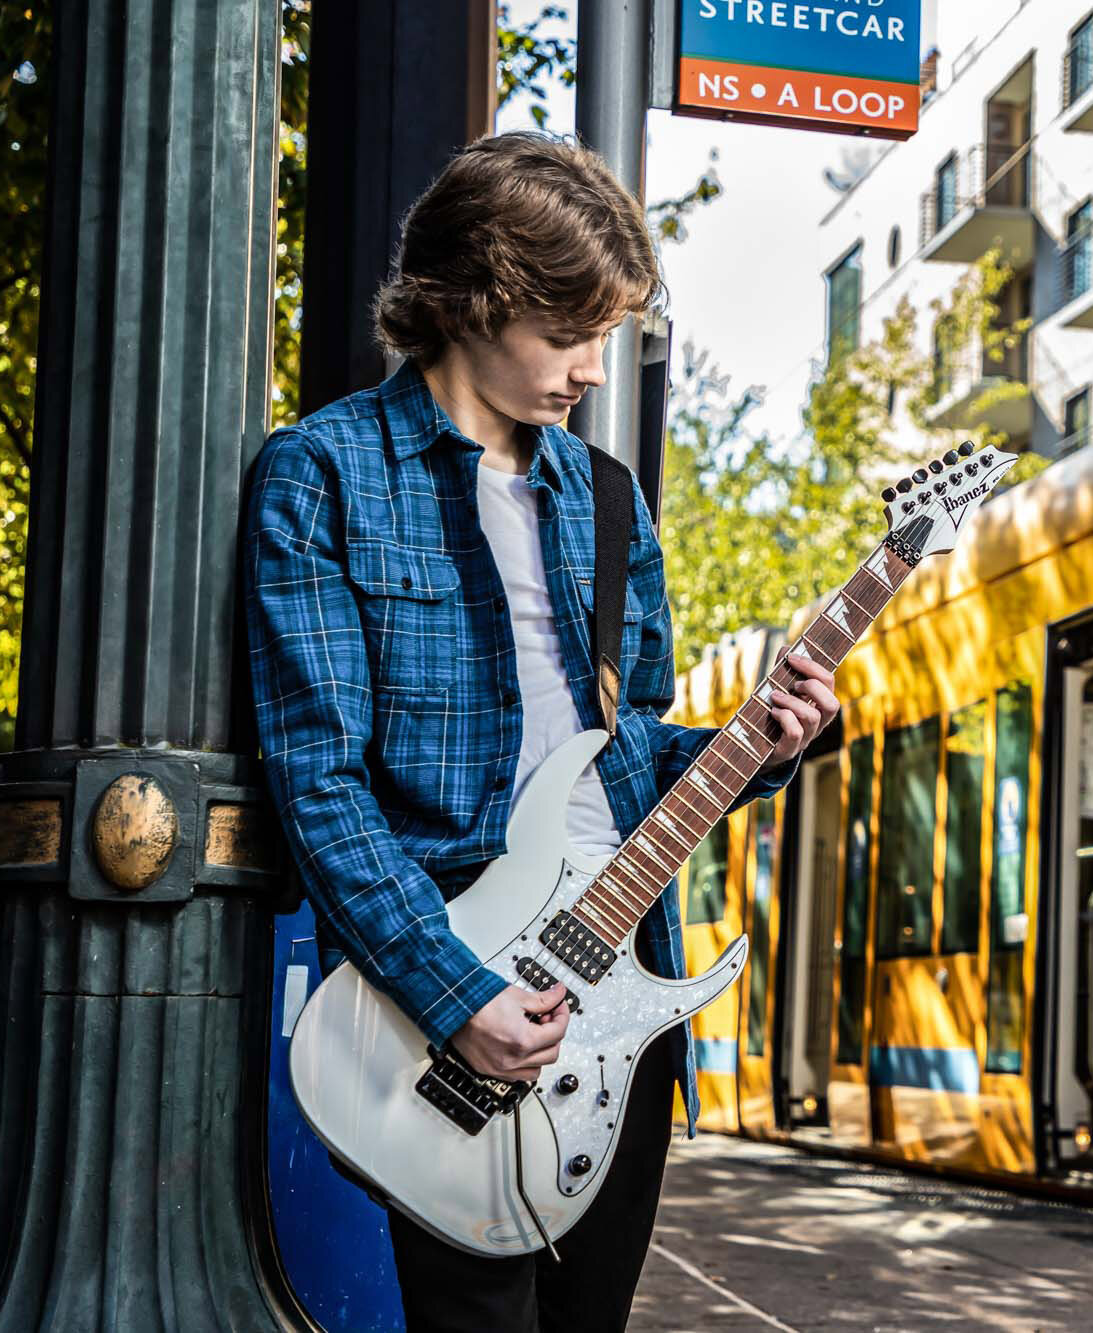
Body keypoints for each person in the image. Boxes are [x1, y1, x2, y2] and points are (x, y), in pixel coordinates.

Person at [240, 131, 839, 1333]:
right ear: (472, 300)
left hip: (617, 1002)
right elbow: (318, 783)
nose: (588, 371)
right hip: (450, 1006)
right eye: (569, 336)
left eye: (605, 339)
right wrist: (455, 990)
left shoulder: (609, 499)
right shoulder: (322, 475)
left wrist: (762, 744)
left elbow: (631, 764)